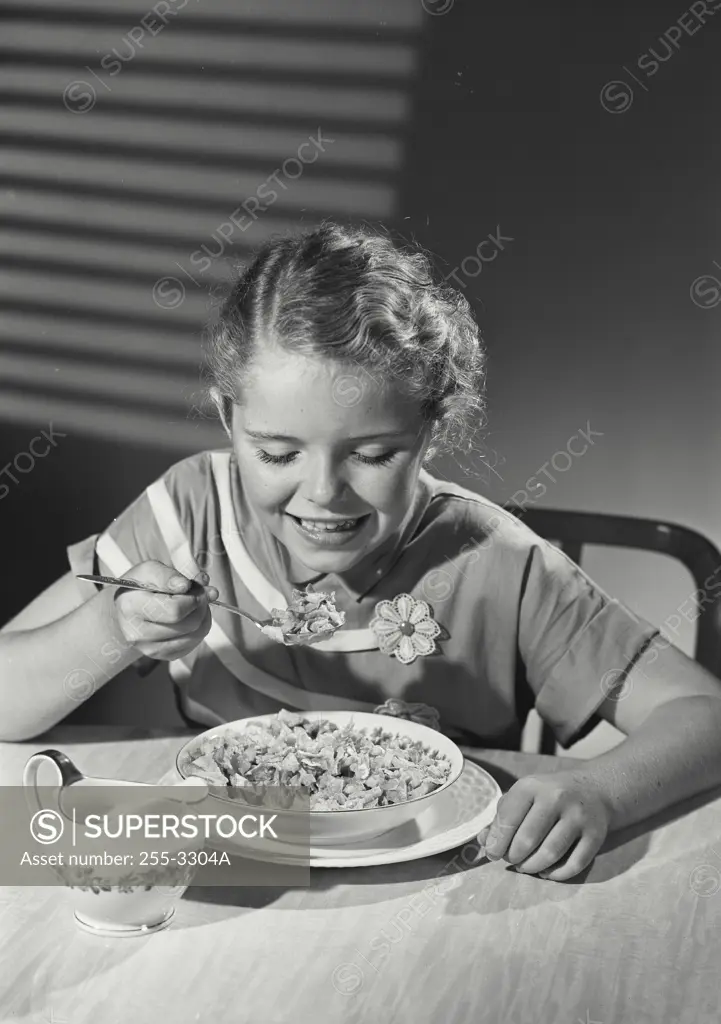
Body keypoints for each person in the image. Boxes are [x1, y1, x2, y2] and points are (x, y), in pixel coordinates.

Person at [3, 221, 721, 881]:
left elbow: (704, 717)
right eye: (276, 452)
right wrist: (113, 627)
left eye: (373, 454)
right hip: (226, 869)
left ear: (430, 430)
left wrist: (598, 790)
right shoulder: (189, 512)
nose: (322, 493)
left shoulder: (498, 563)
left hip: (436, 886)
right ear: (230, 419)